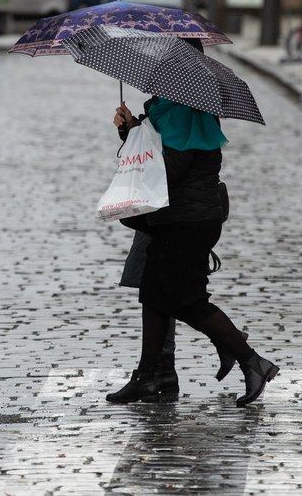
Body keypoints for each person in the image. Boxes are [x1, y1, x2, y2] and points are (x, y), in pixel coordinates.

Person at [107, 95, 278, 408]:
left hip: (188, 222)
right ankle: (147, 376)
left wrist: (136, 147)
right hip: (175, 219)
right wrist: (132, 129)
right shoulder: (169, 109)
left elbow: (168, 168)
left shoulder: (186, 113)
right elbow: (155, 152)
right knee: (154, 295)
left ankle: (251, 360)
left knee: (189, 302)